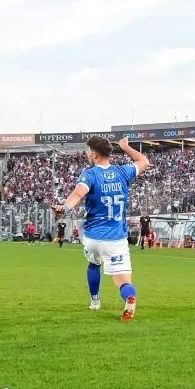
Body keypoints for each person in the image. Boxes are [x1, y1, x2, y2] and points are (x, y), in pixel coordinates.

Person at [53, 135, 149, 321]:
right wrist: (126, 147)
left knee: (93, 263)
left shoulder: (89, 174)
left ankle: (95, 301)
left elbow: (77, 194)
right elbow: (144, 161)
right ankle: (128, 297)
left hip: (91, 237)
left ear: (95, 155)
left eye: (88, 151)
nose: (87, 154)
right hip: (115, 239)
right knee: (123, 282)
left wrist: (65, 207)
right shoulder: (123, 172)